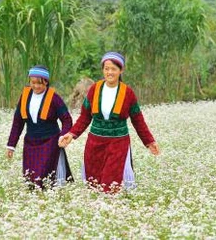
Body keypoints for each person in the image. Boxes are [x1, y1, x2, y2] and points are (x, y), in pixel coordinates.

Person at [59, 52, 160, 193]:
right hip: (95, 143)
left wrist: (149, 141)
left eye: (113, 69)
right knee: (93, 183)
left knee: (110, 184)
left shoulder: (128, 93)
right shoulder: (94, 89)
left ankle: (111, 210)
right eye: (106, 68)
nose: (109, 72)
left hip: (118, 143)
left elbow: (138, 120)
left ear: (121, 70)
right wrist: (71, 134)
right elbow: (85, 117)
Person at [6, 65, 73, 189]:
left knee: (45, 178)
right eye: (33, 82)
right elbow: (18, 122)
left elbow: (67, 119)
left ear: (46, 82)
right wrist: (11, 145)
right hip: (30, 143)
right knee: (31, 178)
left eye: (40, 83)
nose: (36, 86)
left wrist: (63, 136)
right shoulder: (25, 96)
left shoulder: (54, 98)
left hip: (50, 143)